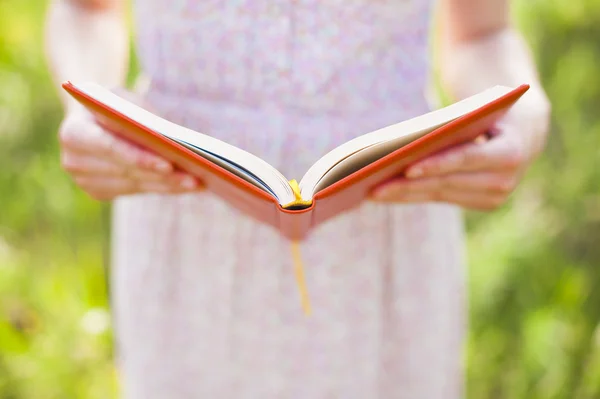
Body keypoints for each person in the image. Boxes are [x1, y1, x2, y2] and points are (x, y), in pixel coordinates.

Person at [45, 0, 550, 397]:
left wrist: (522, 118)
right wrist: (88, 101)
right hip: (184, 225)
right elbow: (84, 9)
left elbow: (482, 36)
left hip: (385, 237)